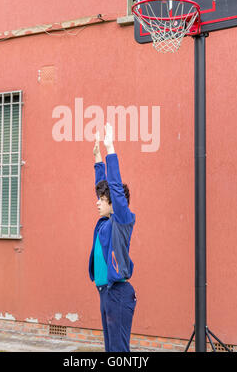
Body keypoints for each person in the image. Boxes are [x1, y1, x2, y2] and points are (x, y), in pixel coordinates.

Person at [88, 123, 137, 352]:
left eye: (101, 199)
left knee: (118, 352)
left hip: (118, 294)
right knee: (111, 351)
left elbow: (114, 190)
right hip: (106, 292)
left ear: (114, 204)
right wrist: (98, 159)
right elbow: (105, 188)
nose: (97, 201)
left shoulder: (122, 221)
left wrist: (110, 149)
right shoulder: (105, 223)